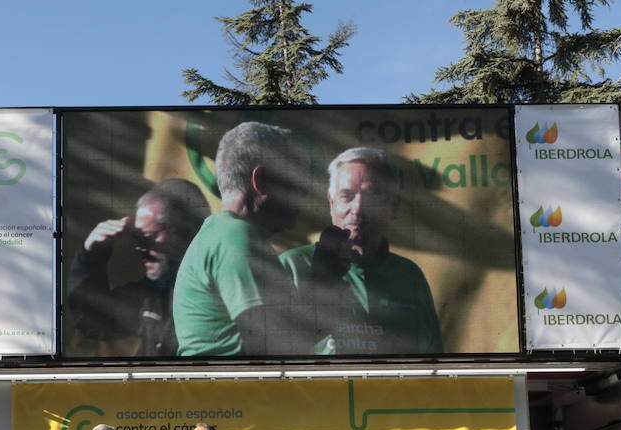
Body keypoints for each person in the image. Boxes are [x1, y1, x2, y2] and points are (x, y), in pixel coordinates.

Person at [280, 147, 443, 355]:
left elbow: (432, 365)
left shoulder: (410, 277)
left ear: (392, 207)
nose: (357, 210)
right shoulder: (291, 268)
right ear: (331, 203)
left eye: (372, 198)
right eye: (346, 196)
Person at [172, 121, 303, 357]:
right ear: (260, 180)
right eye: (293, 178)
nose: (303, 191)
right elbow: (272, 346)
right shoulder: (235, 237)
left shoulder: (223, 234)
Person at [67, 179, 211, 357]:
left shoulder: (219, 289)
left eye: (148, 236)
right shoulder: (155, 292)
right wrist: (91, 254)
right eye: (137, 237)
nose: (140, 248)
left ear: (185, 230)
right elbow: (93, 321)